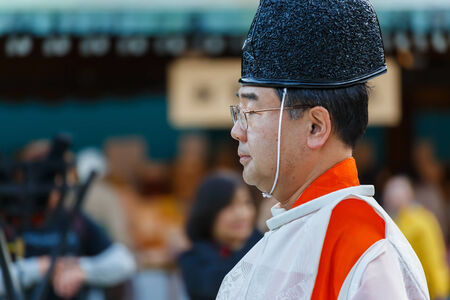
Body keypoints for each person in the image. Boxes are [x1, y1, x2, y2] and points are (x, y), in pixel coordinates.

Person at [217, 0, 430, 299]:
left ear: (315, 127)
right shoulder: (297, 226)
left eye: (250, 112)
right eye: (237, 112)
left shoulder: (364, 247)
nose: (236, 130)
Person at [178, 172, 262, 300]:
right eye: (229, 205)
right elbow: (220, 286)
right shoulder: (192, 259)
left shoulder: (267, 245)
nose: (241, 214)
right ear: (209, 212)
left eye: (246, 203)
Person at [383, 176, 449, 300]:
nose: (387, 201)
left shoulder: (419, 222)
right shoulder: (403, 220)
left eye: (389, 198)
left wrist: (439, 289)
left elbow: (432, 257)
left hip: (429, 291)